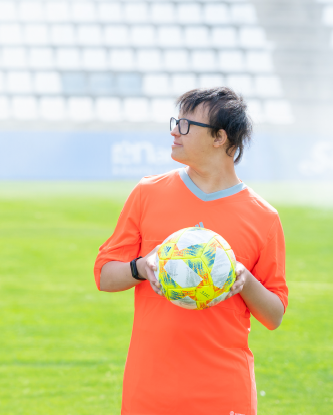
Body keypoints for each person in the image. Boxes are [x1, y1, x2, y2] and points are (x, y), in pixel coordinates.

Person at [94, 87, 287, 415]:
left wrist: (244, 278)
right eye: (176, 122)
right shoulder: (148, 193)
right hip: (150, 389)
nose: (174, 131)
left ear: (219, 138)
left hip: (224, 391)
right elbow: (104, 277)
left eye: (185, 125)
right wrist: (142, 267)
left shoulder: (263, 217)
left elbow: (274, 315)